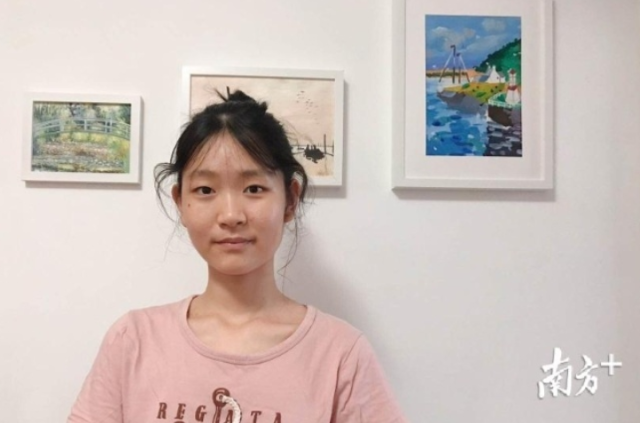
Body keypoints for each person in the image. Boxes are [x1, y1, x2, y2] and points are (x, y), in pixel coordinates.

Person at [67, 90, 407, 423]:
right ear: (180, 202)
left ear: (290, 200)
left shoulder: (340, 355)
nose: (231, 215)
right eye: (205, 190)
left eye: (254, 188)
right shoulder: (133, 340)